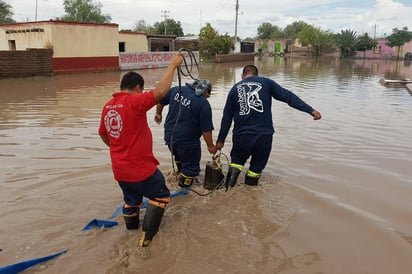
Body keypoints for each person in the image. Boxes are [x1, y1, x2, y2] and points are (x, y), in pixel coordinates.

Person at [98, 54, 183, 254]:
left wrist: (118, 147)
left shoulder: (108, 106)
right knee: (161, 194)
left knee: (131, 201)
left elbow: (103, 133)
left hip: (120, 171)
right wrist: (172, 66)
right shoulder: (135, 102)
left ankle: (130, 232)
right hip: (140, 170)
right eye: (141, 90)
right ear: (138, 88)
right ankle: (146, 240)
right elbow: (161, 92)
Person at [216, 64, 322, 191]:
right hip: (264, 136)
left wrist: (220, 141)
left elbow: (227, 118)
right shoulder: (267, 83)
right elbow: (288, 97)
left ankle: (227, 193)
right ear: (257, 75)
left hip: (242, 136)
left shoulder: (234, 89)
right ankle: (251, 197)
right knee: (255, 170)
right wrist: (310, 110)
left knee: (236, 164)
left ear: (242, 76)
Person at [154, 79, 217, 188]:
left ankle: (179, 174)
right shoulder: (203, 103)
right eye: (208, 95)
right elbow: (206, 130)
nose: (207, 97)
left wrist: (158, 114)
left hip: (169, 136)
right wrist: (210, 146)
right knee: (191, 168)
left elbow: (160, 100)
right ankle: (183, 191)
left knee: (179, 156)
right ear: (206, 92)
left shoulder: (177, 90)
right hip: (187, 142)